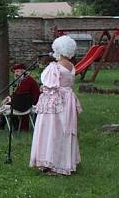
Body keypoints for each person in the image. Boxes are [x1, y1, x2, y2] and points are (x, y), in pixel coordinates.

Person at [30, 35, 82, 176]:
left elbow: (50, 86)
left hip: (55, 102)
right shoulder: (71, 66)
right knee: (63, 130)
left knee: (51, 130)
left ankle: (52, 162)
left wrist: (42, 88)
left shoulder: (55, 67)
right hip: (68, 99)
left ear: (58, 49)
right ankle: (63, 161)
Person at [0, 63, 41, 130]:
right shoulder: (23, 80)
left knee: (8, 106)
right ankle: (14, 126)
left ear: (23, 71)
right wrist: (8, 97)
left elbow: (21, 94)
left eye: (18, 71)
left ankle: (2, 125)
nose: (16, 73)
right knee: (9, 105)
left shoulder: (27, 80)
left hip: (31, 103)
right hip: (25, 101)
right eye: (15, 72)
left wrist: (10, 99)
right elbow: (17, 93)